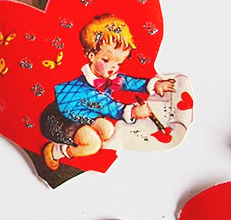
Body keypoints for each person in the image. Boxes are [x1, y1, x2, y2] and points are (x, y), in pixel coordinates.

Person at [40, 14, 176, 171]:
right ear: (92, 56)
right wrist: (133, 111)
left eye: (118, 63)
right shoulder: (82, 89)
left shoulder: (107, 75)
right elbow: (105, 104)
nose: (113, 68)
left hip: (84, 116)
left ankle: (82, 137)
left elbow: (127, 82)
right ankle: (55, 151)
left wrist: (154, 84)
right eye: (106, 60)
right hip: (60, 120)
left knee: (108, 130)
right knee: (93, 144)